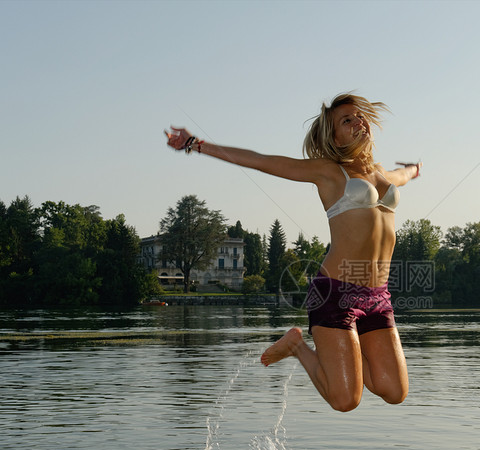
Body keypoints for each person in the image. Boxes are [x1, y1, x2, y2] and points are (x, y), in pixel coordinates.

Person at [165, 93, 421, 412]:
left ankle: (344, 353)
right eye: (347, 120)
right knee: (345, 400)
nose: (358, 121)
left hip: (378, 295)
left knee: (394, 390)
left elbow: (404, 177)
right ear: (334, 137)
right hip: (335, 291)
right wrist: (195, 144)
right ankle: (297, 345)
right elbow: (261, 160)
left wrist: (412, 169)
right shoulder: (328, 172)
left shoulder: (383, 173)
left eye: (359, 116)